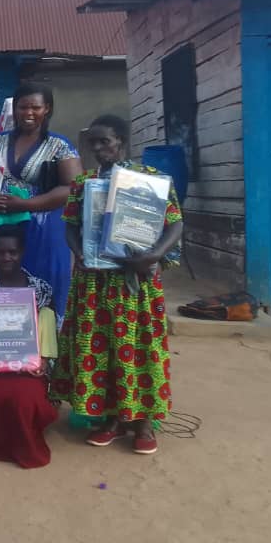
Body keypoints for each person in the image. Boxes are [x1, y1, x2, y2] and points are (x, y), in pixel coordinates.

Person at [50, 114, 183, 456]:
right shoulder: (85, 183)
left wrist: (153, 255)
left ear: (121, 141)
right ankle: (109, 418)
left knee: (137, 345)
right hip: (95, 282)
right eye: (93, 142)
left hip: (134, 282)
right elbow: (70, 226)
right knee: (101, 348)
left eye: (104, 141)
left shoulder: (150, 180)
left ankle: (143, 422)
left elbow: (175, 224)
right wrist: (80, 253)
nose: (98, 148)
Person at [0, 82, 81, 322]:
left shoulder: (58, 145)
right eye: (23, 107)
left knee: (43, 285)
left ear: (47, 109)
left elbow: (72, 188)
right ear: (14, 109)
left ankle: (47, 341)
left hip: (43, 230)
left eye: (35, 107)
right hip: (0, 228)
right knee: (0, 285)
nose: (28, 113)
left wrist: (25, 205)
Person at [0, 224, 59, 469]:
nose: (6, 257)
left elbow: (48, 330)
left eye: (12, 252)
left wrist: (43, 362)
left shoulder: (40, 288)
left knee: (24, 399)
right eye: (0, 252)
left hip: (27, 368)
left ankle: (25, 444)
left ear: (22, 252)